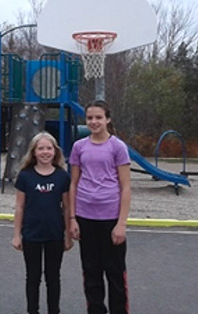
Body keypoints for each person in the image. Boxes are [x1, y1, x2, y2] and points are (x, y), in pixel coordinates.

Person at [68, 100, 132, 314]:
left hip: (111, 218)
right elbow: (73, 184)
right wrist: (72, 218)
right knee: (91, 272)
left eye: (98, 117)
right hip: (85, 218)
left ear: (107, 119)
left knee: (115, 273)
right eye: (90, 118)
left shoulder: (117, 147)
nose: (94, 122)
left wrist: (121, 224)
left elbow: (125, 187)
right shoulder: (79, 146)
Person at [12, 131, 73, 314]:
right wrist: (17, 235)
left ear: (55, 151)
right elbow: (20, 207)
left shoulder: (62, 176)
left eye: (49, 148)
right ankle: (33, 310)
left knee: (53, 277)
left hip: (54, 234)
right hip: (31, 234)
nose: (45, 152)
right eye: (41, 148)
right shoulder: (25, 176)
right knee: (33, 277)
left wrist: (68, 235)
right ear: (34, 152)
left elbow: (67, 208)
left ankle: (54, 310)